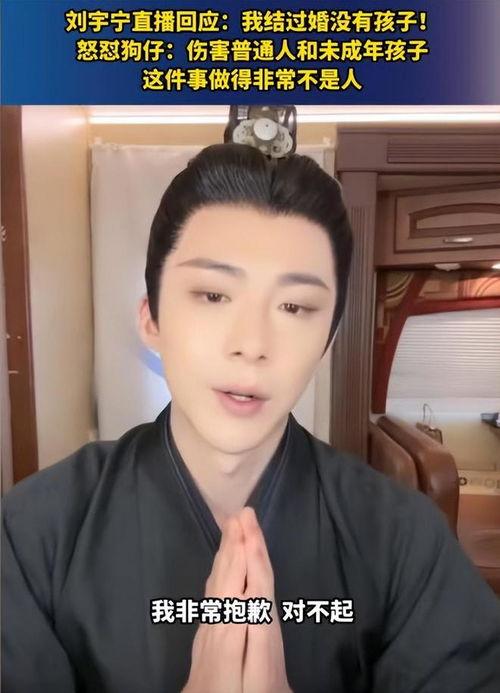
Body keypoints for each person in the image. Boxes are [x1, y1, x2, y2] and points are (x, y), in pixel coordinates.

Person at [2, 143, 499, 693]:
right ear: (151, 319)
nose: (252, 344)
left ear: (328, 340)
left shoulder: (405, 541)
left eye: (295, 307)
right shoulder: (36, 531)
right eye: (213, 295)